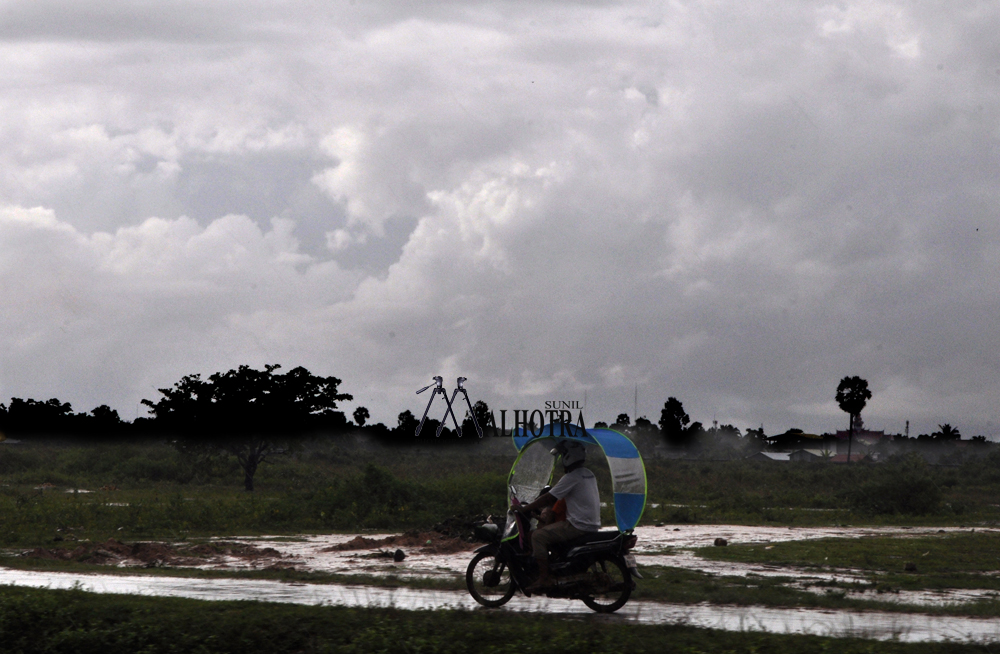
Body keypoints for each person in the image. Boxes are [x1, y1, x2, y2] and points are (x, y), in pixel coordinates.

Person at [516, 440, 601, 590]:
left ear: (569, 456)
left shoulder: (571, 477)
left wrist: (526, 508)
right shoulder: (589, 474)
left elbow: (549, 497)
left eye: (562, 455)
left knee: (538, 536)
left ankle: (544, 578)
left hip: (577, 525)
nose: (562, 459)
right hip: (592, 524)